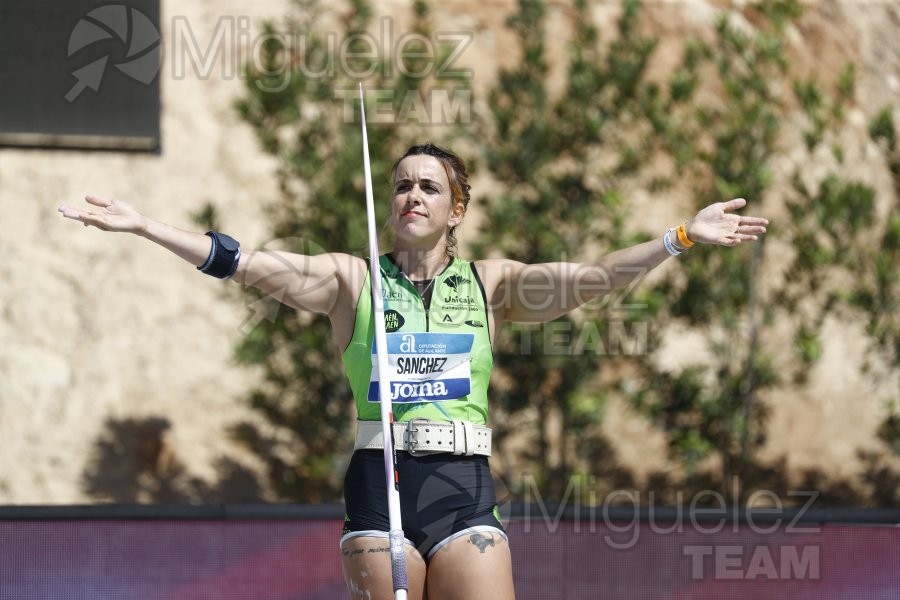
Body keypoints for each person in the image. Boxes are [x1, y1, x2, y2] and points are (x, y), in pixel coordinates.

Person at [59, 142, 768, 599]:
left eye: (429, 187)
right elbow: (244, 264)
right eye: (401, 186)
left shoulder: (494, 284)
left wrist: (678, 237)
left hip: (464, 493)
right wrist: (146, 225)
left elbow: (594, 279)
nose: (411, 196)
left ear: (456, 208)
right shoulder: (351, 281)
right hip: (380, 490)